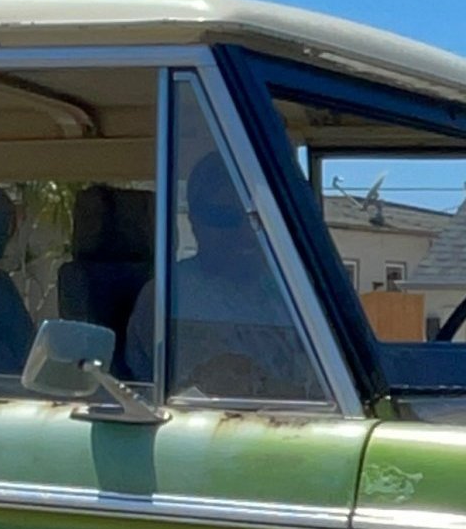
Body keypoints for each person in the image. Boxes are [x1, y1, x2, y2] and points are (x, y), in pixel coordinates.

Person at [125, 151, 323, 401]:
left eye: (255, 219)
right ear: (195, 221)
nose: (243, 232)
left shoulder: (290, 292)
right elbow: (208, 394)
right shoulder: (173, 295)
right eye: (223, 216)